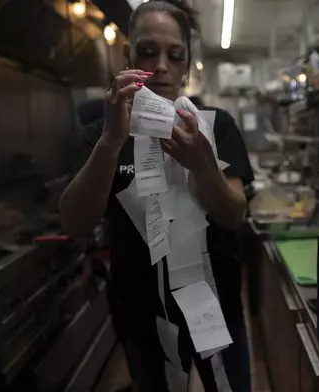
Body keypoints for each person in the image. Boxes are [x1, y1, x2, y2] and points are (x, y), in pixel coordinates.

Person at [59, 1, 254, 391]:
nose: (162, 65)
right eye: (148, 51)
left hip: (215, 309)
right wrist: (112, 142)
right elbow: (75, 223)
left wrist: (202, 164)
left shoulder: (217, 127)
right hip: (142, 316)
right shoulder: (101, 133)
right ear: (129, 56)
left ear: (187, 63)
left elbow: (234, 215)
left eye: (174, 54)